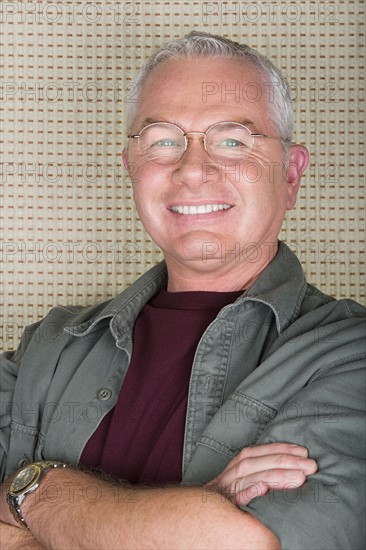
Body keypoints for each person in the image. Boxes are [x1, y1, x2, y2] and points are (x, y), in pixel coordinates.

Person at [0, 31, 365, 550]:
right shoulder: (50, 348)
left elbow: (247, 544)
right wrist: (192, 510)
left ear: (291, 173)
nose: (193, 169)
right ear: (131, 169)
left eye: (233, 140)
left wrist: (31, 493)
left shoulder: (349, 355)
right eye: (164, 141)